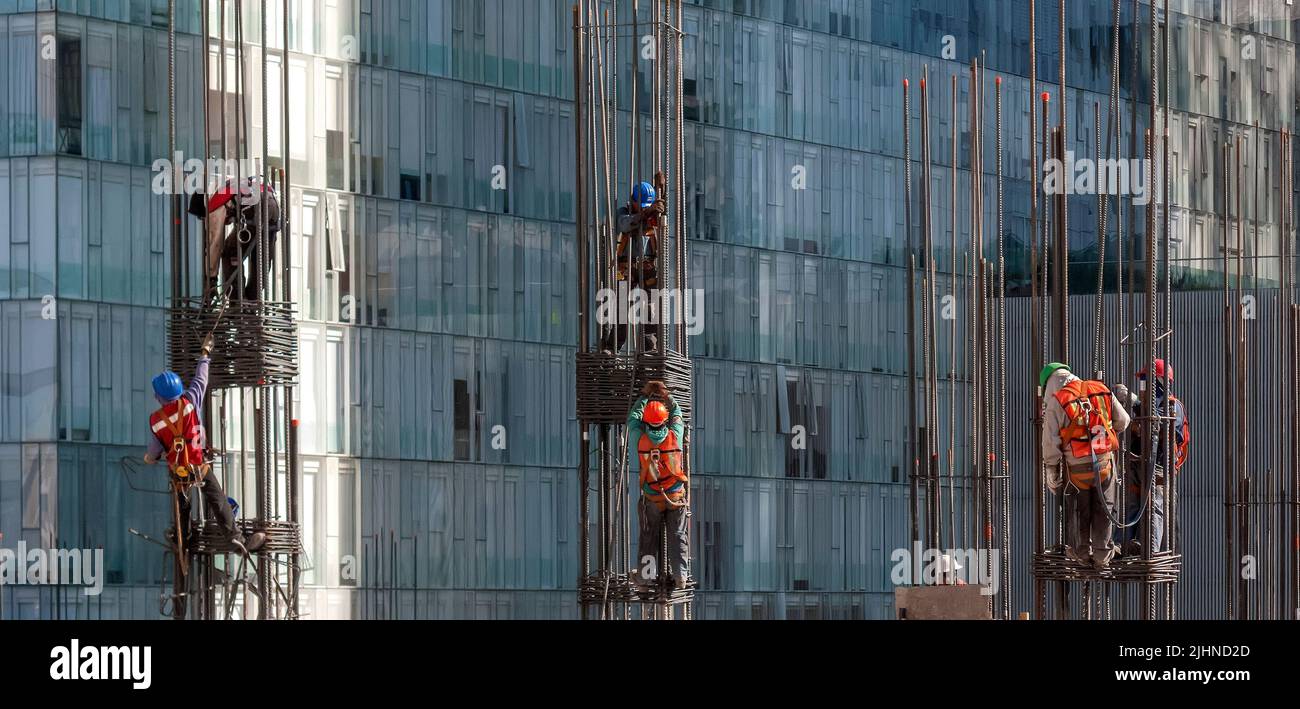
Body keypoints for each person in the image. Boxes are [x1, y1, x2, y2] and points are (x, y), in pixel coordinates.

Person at [145, 334, 265, 554]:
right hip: (198, 465)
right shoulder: (190, 400)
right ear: (178, 390)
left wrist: (150, 458)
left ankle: (184, 539)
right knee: (217, 500)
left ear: (158, 397)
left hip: (179, 470)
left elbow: (153, 453)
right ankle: (236, 540)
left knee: (182, 505)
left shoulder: (156, 421)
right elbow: (201, 378)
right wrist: (205, 353)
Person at [1040, 362, 1130, 568]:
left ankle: (1081, 552)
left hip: (1076, 469)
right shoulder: (1101, 390)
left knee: (1080, 510)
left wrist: (1051, 469)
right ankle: (1102, 554)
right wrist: (1105, 430)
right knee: (1105, 508)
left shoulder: (1057, 401)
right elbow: (1123, 421)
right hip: (1104, 463)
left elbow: (1050, 442)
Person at [1118, 359, 1190, 555]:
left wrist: (1136, 403)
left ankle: (1150, 547)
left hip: (1159, 465)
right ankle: (1121, 544)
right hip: (1137, 462)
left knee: (1155, 505)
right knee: (1132, 503)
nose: (1144, 384)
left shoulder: (1173, 405)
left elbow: (1158, 424)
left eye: (1146, 379)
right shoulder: (1149, 403)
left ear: (1158, 380)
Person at [627, 380, 689, 590]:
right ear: (664, 421)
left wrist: (645, 398)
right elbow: (678, 413)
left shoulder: (639, 438)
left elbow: (632, 420)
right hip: (675, 496)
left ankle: (645, 577)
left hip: (652, 497)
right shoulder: (675, 436)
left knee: (648, 537)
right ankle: (681, 576)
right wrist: (666, 396)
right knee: (679, 535)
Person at [188, 175, 281, 301]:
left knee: (229, 250)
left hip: (255, 208)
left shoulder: (215, 201)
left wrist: (211, 279)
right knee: (260, 258)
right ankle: (252, 302)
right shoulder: (229, 184)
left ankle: (237, 302)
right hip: (274, 208)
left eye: (204, 218)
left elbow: (215, 245)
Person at [601, 172, 666, 354]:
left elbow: (663, 217)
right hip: (626, 268)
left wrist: (663, 192)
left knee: (651, 309)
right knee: (622, 309)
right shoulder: (624, 212)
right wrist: (645, 213)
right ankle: (612, 349)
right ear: (633, 201)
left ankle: (649, 347)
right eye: (641, 206)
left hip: (648, 267)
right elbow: (625, 224)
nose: (643, 209)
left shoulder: (653, 215)